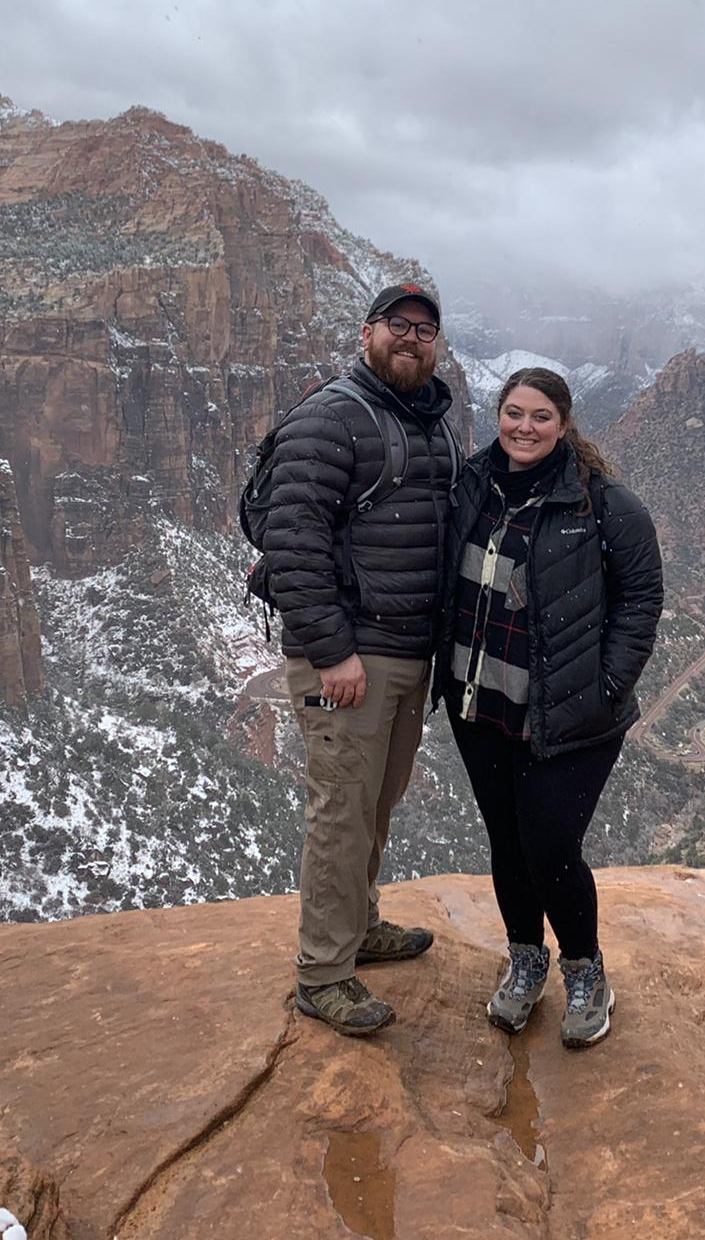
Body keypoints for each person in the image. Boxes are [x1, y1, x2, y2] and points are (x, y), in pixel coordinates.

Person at [435, 365, 662, 1049]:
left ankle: (586, 971)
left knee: (551, 846)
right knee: (508, 841)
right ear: (496, 414)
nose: (523, 427)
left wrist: (607, 688)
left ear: (565, 424)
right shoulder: (472, 485)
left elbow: (640, 603)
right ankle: (526, 959)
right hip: (480, 704)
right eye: (513, 413)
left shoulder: (607, 506)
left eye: (539, 416)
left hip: (570, 717)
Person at [264, 282, 460, 1035]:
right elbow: (293, 543)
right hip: (348, 660)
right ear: (367, 332)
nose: (412, 339)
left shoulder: (431, 420)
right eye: (398, 326)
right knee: (342, 812)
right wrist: (333, 651)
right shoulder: (331, 416)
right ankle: (323, 972)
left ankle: (360, 924)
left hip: (411, 656)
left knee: (376, 804)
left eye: (425, 331)